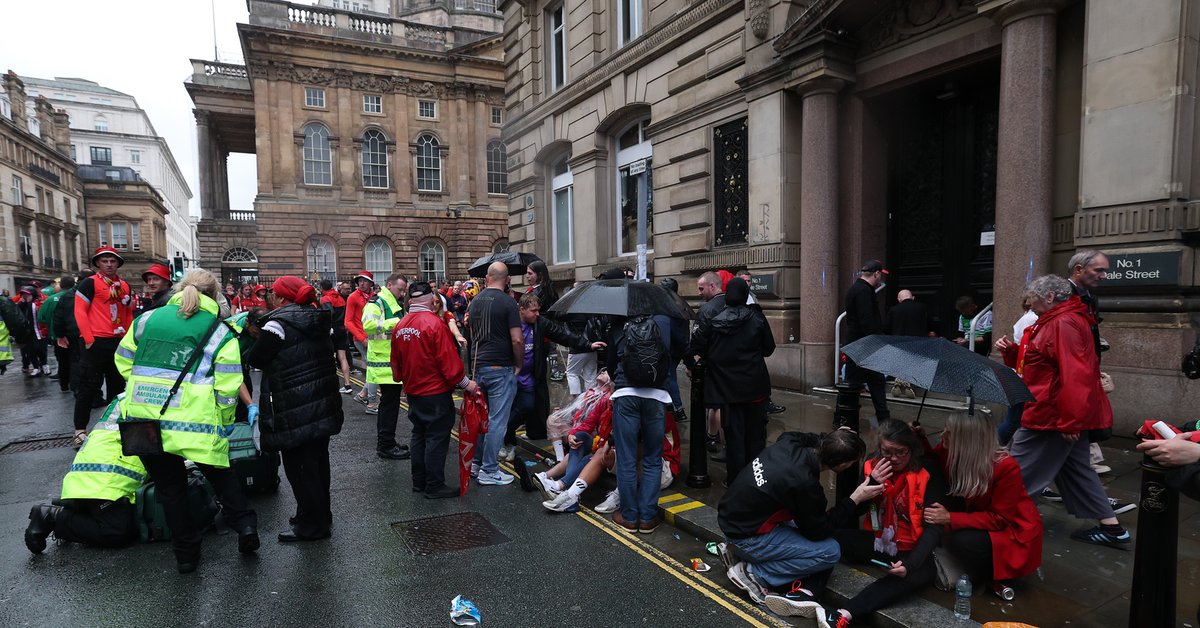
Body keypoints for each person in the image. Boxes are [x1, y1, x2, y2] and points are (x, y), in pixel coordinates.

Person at [114, 269, 257, 573]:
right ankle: (245, 527)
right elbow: (229, 383)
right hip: (197, 424)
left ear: (179, 288)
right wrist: (226, 417)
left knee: (170, 489)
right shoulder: (220, 331)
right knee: (220, 475)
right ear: (215, 295)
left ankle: (186, 556)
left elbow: (124, 359)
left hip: (145, 420)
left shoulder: (146, 320)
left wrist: (143, 388)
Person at [995, 275, 1131, 549]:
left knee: (1017, 471)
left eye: (1032, 297)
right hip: (1058, 412)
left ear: (1049, 297)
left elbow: (1074, 375)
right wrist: (1011, 352)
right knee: (1078, 470)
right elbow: (1042, 364)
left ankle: (1001, 523)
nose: (1028, 303)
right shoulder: (1058, 320)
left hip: (1050, 415)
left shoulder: (1062, 323)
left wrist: (1070, 422)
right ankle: (1112, 529)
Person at [718, 429, 881, 613]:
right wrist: (855, 498)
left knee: (800, 523)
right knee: (830, 551)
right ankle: (755, 574)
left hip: (730, 519)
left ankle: (737, 552)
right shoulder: (805, 484)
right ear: (842, 465)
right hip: (746, 538)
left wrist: (832, 438)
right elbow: (819, 531)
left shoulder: (789, 441)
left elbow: (804, 436)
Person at [245, 276, 345, 542]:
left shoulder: (278, 323)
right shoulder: (315, 317)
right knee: (318, 465)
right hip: (321, 401)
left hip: (294, 405)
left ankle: (313, 527)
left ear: (280, 297)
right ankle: (317, 515)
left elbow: (257, 357)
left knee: (300, 469)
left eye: (273, 295)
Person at [822, 420, 947, 626]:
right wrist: (871, 484)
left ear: (912, 449)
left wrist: (909, 565)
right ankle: (802, 588)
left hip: (913, 549)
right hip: (881, 541)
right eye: (887, 452)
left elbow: (934, 528)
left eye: (901, 452)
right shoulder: (873, 464)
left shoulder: (928, 471)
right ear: (879, 448)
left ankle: (845, 614)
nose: (894, 459)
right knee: (830, 536)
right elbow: (859, 510)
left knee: (913, 576)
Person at [922, 410, 1043, 597]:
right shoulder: (950, 449)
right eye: (944, 430)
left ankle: (983, 575)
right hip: (976, 513)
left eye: (949, 433)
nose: (941, 435)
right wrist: (919, 437)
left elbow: (999, 519)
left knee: (961, 541)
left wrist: (949, 517)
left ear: (967, 439)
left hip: (1010, 529)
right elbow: (934, 461)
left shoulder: (1005, 466)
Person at [390, 281, 480, 498]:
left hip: (413, 391)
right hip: (435, 392)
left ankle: (419, 482)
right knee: (436, 437)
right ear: (431, 299)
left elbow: (396, 362)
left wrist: (403, 381)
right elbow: (449, 365)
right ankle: (434, 485)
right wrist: (469, 385)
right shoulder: (434, 324)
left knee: (419, 434)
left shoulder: (401, 325)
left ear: (411, 301)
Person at [25, 397, 145, 553]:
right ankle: (52, 516)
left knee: (134, 523)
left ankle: (79, 508)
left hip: (96, 472)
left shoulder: (130, 394)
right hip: (106, 479)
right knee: (117, 532)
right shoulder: (161, 397)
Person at [606, 306, 685, 534]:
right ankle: (648, 518)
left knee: (627, 459)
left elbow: (611, 365)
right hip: (656, 395)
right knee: (652, 458)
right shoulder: (660, 324)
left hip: (626, 395)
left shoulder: (619, 326)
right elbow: (676, 352)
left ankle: (629, 516)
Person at [690, 278, 775, 483]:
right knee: (756, 438)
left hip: (727, 391)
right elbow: (768, 349)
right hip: (755, 389)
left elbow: (696, 346)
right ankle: (756, 480)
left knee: (734, 438)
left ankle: (736, 481)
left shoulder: (714, 320)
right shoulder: (757, 318)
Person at [506, 293, 603, 456]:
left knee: (527, 406)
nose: (537, 314)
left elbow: (562, 335)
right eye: (533, 310)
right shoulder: (510, 324)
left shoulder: (540, 323)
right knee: (510, 411)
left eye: (538, 310)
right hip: (510, 376)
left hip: (530, 377)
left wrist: (587, 344)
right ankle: (507, 441)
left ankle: (506, 435)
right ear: (521, 310)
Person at [73, 246, 135, 448]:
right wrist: (89, 339)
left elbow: (127, 314)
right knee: (88, 386)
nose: (109, 264)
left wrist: (127, 338)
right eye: (105, 261)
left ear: (117, 264)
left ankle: (110, 428)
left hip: (117, 341)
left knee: (117, 387)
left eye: (112, 261)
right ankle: (79, 430)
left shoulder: (124, 286)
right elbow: (80, 311)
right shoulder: (89, 283)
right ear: (98, 264)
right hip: (96, 342)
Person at [468, 262, 524, 486]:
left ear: (487, 278)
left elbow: (473, 337)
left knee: (482, 419)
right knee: (497, 421)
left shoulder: (474, 302)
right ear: (507, 278)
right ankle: (489, 470)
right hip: (501, 367)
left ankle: (476, 463)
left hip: (478, 366)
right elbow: (517, 339)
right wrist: (518, 363)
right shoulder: (509, 302)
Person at [1066, 250, 1113, 476]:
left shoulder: (1089, 296)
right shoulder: (1062, 296)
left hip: (1085, 372)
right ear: (1079, 270)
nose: (1104, 276)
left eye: (1105, 270)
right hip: (1071, 377)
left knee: (1078, 455)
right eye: (1099, 270)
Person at [363, 272, 409, 459]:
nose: (402, 293)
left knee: (390, 405)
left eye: (404, 290)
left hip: (391, 361)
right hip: (383, 362)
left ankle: (388, 442)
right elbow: (368, 325)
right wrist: (396, 323)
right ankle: (385, 446)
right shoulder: (377, 302)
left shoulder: (394, 303)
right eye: (400, 289)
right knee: (389, 406)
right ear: (389, 285)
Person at [843, 260, 890, 421]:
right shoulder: (864, 291)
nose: (880, 280)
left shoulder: (857, 288)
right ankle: (883, 419)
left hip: (856, 345)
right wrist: (878, 341)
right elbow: (867, 320)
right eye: (880, 276)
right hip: (864, 346)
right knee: (873, 383)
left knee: (853, 385)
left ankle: (844, 418)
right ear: (876, 273)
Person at [691, 270, 727, 458]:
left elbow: (698, 340)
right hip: (732, 365)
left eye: (701, 288)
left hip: (712, 364)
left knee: (715, 405)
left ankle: (712, 437)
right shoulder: (735, 304)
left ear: (712, 286)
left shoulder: (706, 309)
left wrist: (693, 361)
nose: (699, 292)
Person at [885, 289, 933, 398]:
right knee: (915, 363)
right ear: (913, 297)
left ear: (899, 299)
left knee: (901, 362)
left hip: (899, 342)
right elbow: (930, 322)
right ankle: (910, 383)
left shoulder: (894, 309)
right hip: (918, 341)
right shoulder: (922, 307)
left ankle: (899, 380)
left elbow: (887, 327)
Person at [346, 271, 377, 408]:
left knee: (374, 368)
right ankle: (372, 402)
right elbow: (348, 322)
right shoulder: (353, 297)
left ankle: (363, 394)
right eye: (360, 281)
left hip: (375, 337)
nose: (362, 283)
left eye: (365, 281)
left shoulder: (375, 296)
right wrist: (362, 338)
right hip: (361, 338)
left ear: (371, 283)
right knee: (373, 369)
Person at [319, 279, 353, 394]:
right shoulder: (340, 298)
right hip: (342, 329)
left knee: (328, 358)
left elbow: (328, 314)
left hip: (332, 330)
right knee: (342, 357)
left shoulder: (325, 299)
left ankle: (329, 386)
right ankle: (348, 385)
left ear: (321, 288)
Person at [17, 286, 48, 376]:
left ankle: (44, 365)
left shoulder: (38, 304)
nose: (25, 297)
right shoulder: (23, 305)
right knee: (30, 350)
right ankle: (36, 367)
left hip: (39, 331)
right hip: (28, 332)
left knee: (40, 349)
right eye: (23, 295)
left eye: (27, 295)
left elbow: (43, 317)